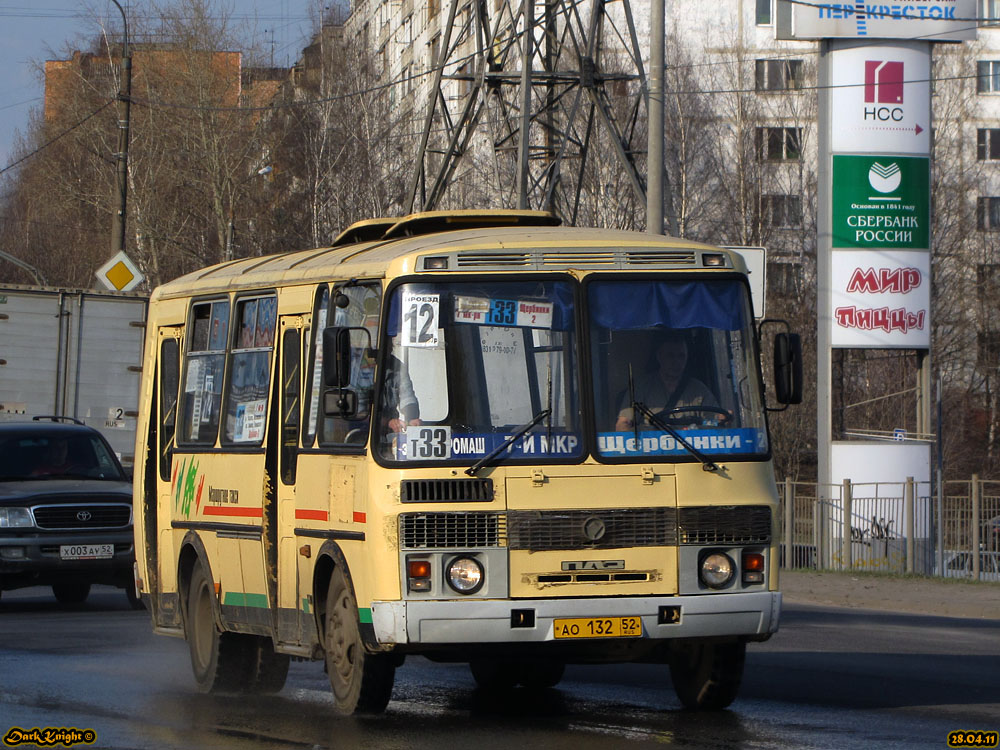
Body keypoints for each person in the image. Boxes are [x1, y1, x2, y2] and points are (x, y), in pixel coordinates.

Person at [615, 333, 718, 431]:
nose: (676, 362)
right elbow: (623, 425)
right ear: (659, 356)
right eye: (670, 356)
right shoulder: (641, 387)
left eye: (681, 356)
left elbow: (714, 423)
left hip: (691, 448)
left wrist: (721, 421)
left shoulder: (699, 389)